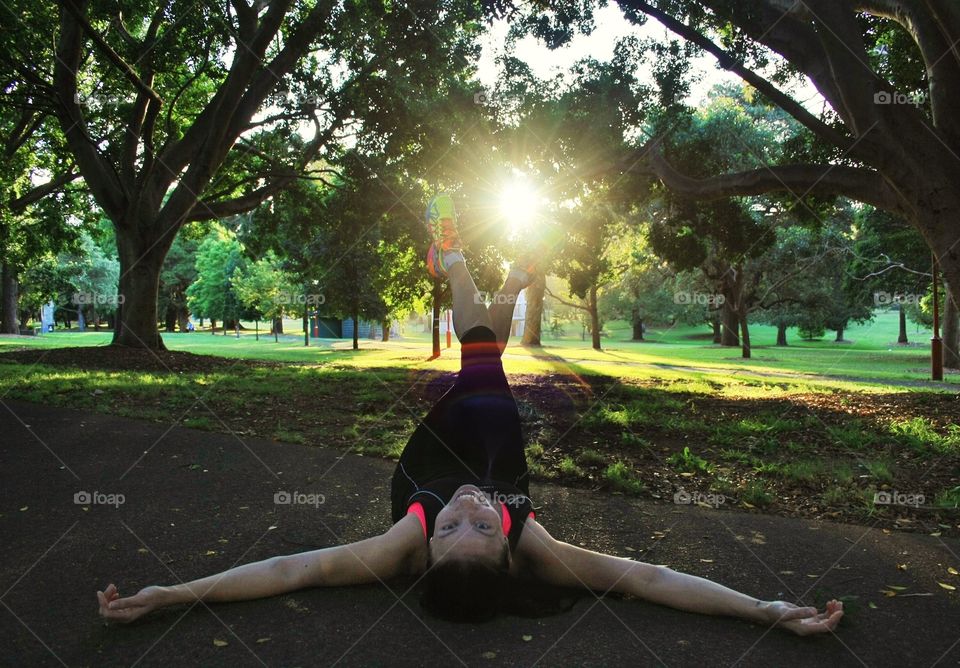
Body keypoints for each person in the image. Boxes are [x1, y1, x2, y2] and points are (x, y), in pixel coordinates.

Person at [97, 195, 843, 635]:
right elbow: (646, 576)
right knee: (484, 354)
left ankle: (466, 268)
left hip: (439, 440)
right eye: (482, 527)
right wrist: (765, 609)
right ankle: (492, 277)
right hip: (495, 441)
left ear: (426, 553)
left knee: (480, 351)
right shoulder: (537, 550)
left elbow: (296, 569)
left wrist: (172, 594)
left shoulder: (403, 544)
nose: (465, 511)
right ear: (510, 550)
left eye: (451, 529)